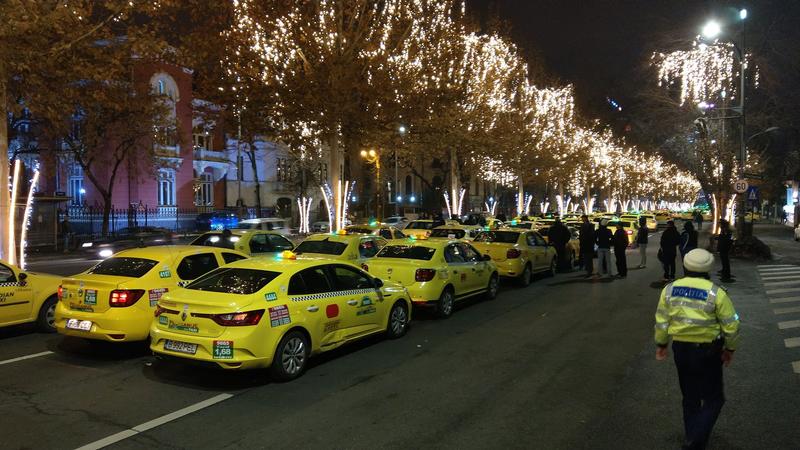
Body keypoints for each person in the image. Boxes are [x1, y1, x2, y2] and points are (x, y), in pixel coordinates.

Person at [654, 248, 740, 450]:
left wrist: (661, 344)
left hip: (681, 350)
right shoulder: (716, 293)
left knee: (690, 397)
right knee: (714, 399)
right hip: (708, 352)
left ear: (685, 265)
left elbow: (661, 321)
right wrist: (730, 349)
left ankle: (693, 437)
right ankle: (694, 440)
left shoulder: (669, 289)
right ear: (708, 268)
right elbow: (731, 325)